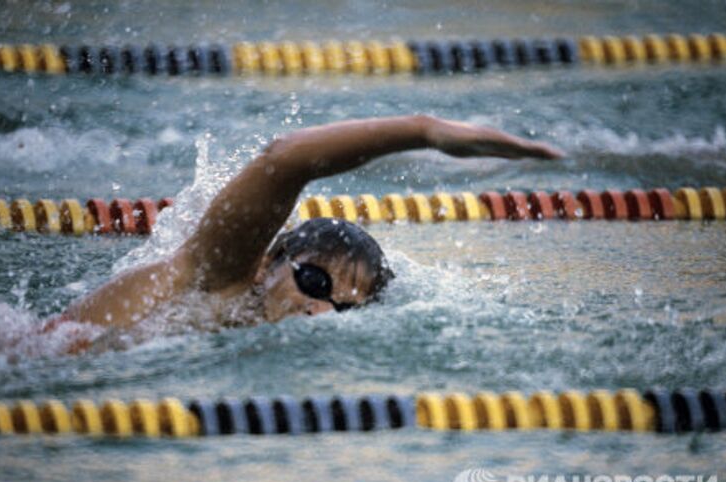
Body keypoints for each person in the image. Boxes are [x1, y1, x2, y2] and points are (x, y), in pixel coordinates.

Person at [59, 115, 562, 331]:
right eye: (315, 282)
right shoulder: (220, 277)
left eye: (343, 308)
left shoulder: (250, 324)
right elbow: (286, 158)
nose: (321, 312)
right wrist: (425, 132)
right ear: (266, 266)